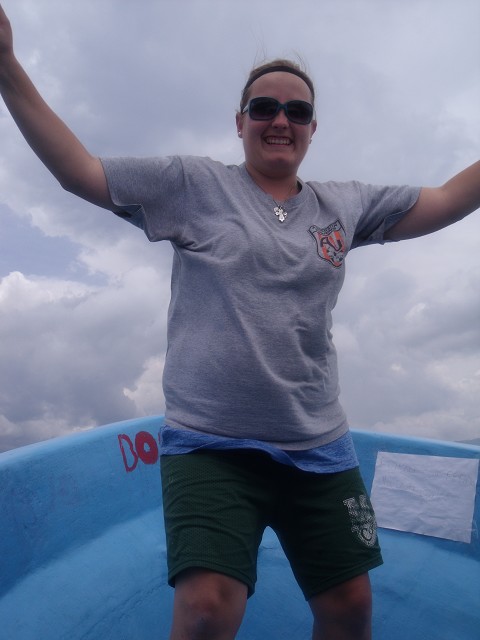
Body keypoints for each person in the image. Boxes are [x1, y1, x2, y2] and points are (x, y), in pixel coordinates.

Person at [0, 5, 479, 640]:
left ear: (313, 128)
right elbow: (80, 172)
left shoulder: (346, 204)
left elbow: (446, 199)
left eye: (297, 111)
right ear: (240, 121)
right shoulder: (193, 186)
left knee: (351, 608)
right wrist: (7, 65)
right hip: (211, 444)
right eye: (264, 108)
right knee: (206, 609)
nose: (281, 120)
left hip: (319, 448)